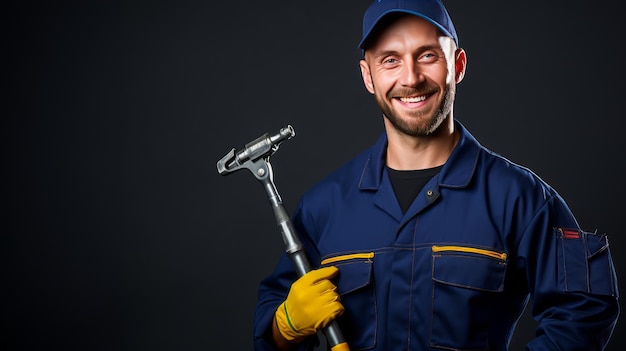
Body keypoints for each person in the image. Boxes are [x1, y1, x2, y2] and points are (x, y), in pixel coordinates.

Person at [253, 0, 620, 350]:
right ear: (368, 76)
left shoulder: (520, 198)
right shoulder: (323, 206)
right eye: (390, 60)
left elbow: (584, 310)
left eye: (427, 55)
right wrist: (286, 325)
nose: (410, 78)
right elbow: (270, 330)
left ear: (457, 65)